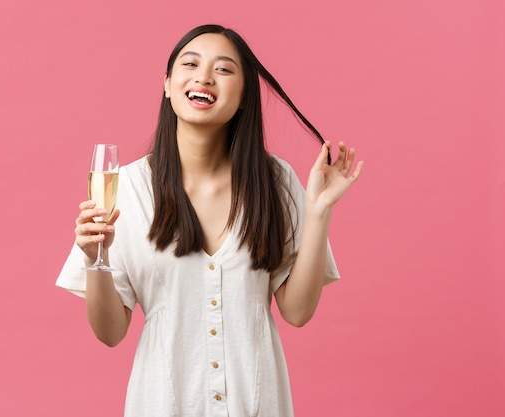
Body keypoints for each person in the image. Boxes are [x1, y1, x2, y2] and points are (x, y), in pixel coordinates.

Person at [56, 24, 363, 417]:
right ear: (167, 84)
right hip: (163, 404)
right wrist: (93, 256)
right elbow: (110, 332)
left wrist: (319, 211)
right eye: (190, 63)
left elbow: (297, 312)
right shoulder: (126, 187)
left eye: (224, 69)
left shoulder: (275, 181)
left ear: (243, 99)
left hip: (258, 404)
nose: (204, 76)